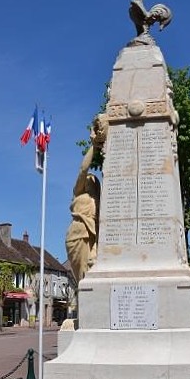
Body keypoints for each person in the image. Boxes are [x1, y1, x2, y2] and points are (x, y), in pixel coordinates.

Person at [65, 113, 109, 283]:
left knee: (89, 274)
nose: (91, 179)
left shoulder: (98, 201)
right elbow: (83, 169)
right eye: (89, 179)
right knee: (82, 277)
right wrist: (94, 147)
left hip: (93, 236)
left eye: (94, 181)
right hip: (77, 232)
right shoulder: (79, 192)